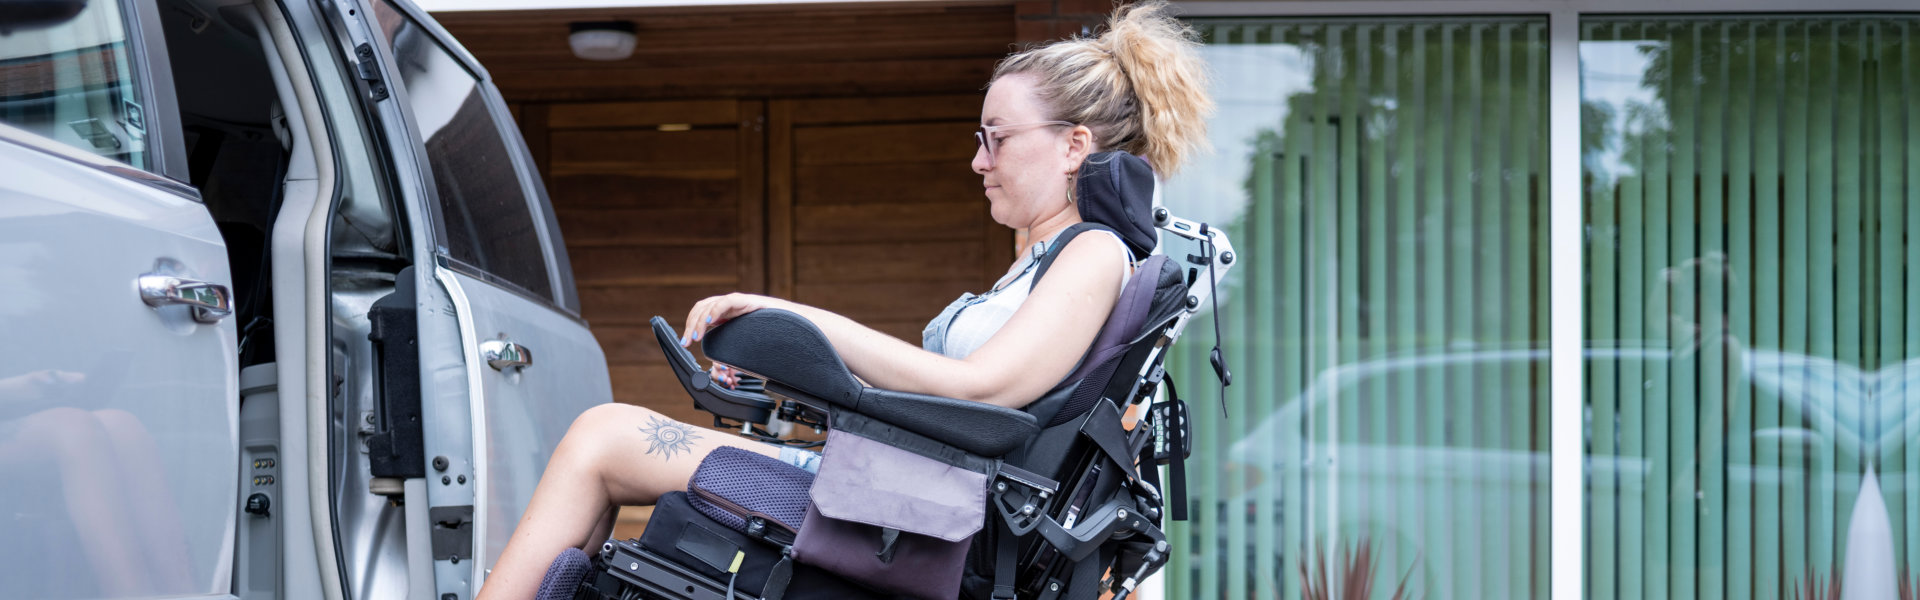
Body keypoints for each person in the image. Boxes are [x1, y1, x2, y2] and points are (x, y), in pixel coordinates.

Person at [475, 3, 1211, 598]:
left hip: (922, 516)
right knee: (604, 449)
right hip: (909, 491)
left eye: (997, 138)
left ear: (1074, 145)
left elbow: (983, 389)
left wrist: (795, 319)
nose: (978, 161)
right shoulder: (1045, 259)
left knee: (602, 438)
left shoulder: (1094, 252)